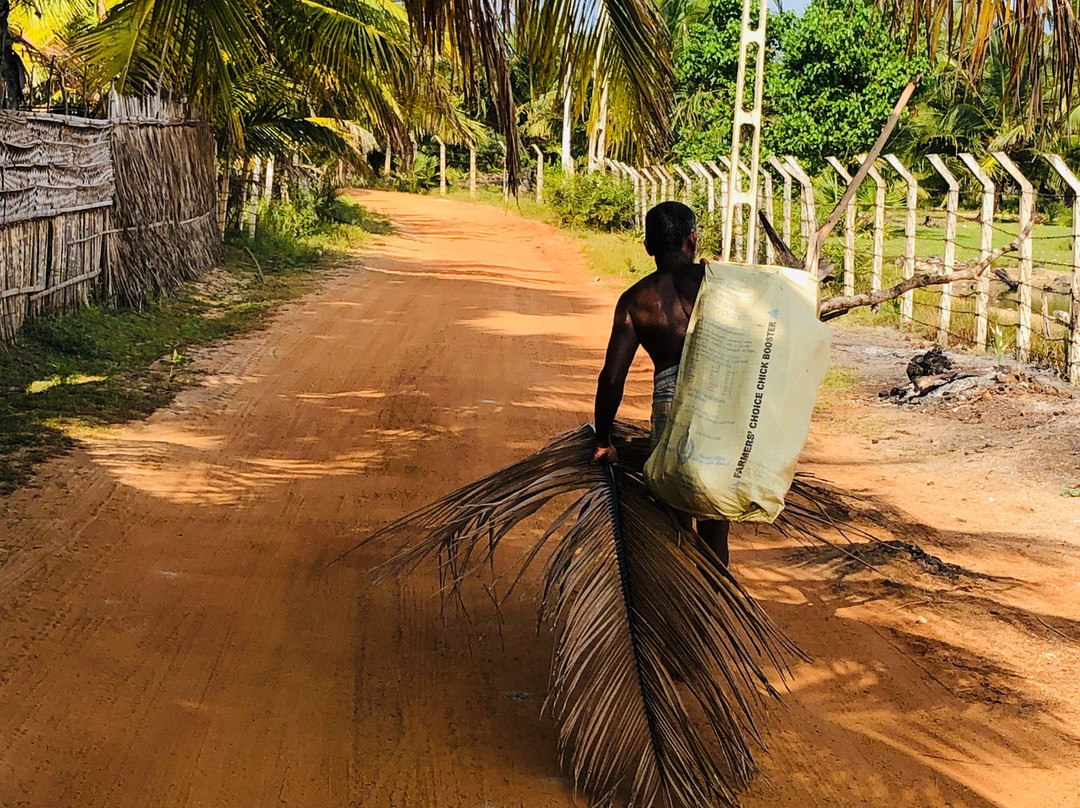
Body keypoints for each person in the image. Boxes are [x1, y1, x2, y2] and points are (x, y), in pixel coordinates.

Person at [590, 201, 730, 566]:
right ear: (693, 239)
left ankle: (677, 597)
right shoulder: (719, 284)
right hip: (720, 403)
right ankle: (717, 605)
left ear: (648, 246)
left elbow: (612, 377)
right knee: (715, 523)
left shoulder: (636, 300)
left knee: (673, 514)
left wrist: (603, 440)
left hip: (670, 405)